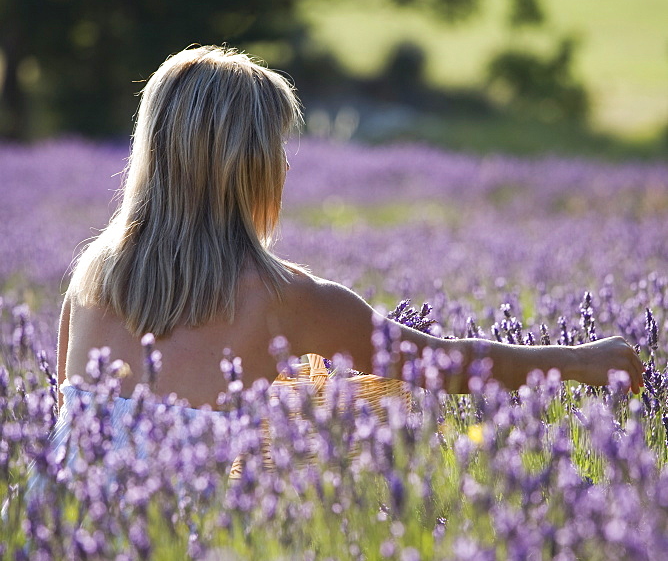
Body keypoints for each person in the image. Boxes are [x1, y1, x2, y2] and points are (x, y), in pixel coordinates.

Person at [56, 45, 644, 424]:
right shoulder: (283, 299)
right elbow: (444, 365)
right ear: (249, 164)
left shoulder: (91, 276)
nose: (285, 165)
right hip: (171, 557)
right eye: (277, 148)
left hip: (47, 530)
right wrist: (578, 360)